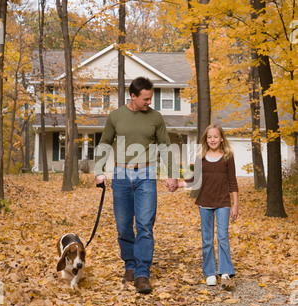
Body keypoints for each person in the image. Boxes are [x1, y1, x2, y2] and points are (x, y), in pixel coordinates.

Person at [94, 77, 178, 294]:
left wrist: (172, 174)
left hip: (146, 174)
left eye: (151, 98)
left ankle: (142, 273)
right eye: (145, 98)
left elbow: (166, 146)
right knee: (123, 227)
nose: (149, 102)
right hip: (121, 175)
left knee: (144, 226)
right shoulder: (116, 116)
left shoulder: (155, 118)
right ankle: (129, 266)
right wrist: (99, 170)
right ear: (133, 96)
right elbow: (104, 143)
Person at [176, 124, 238, 290]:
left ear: (221, 138)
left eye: (216, 137)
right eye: (209, 137)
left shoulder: (227, 157)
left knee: (223, 236)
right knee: (207, 239)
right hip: (205, 202)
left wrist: (235, 205)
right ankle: (210, 272)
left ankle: (225, 271)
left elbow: (232, 181)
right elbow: (194, 179)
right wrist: (178, 184)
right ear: (206, 139)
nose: (212, 140)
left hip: (223, 202)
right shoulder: (201, 156)